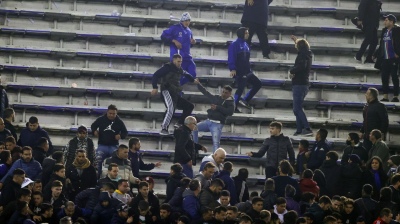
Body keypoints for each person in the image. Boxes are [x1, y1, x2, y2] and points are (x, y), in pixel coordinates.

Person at [151, 54, 196, 135]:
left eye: (181, 62)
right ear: (174, 60)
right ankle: (164, 128)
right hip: (166, 91)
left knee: (189, 106)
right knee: (171, 108)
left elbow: (186, 74)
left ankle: (179, 123)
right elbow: (156, 75)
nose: (180, 63)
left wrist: (193, 80)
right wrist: (155, 87)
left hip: (175, 94)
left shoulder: (179, 70)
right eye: (178, 61)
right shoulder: (167, 68)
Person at [192, 83, 234, 152]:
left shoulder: (231, 102)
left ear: (230, 94)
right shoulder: (217, 97)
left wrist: (217, 107)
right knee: (194, 128)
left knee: (216, 143)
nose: (223, 94)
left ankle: (215, 159)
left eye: (226, 93)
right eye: (223, 92)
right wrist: (199, 84)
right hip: (208, 121)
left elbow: (230, 112)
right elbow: (206, 93)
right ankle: (195, 148)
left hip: (217, 124)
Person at [228, 27, 262, 112]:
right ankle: (233, 107)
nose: (248, 34)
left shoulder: (246, 44)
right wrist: (232, 69)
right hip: (239, 70)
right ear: (242, 34)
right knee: (240, 88)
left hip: (247, 70)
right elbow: (231, 57)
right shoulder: (234, 44)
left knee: (258, 83)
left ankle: (245, 100)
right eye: (246, 33)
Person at [161, 12, 196, 86]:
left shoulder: (189, 31)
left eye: (188, 20)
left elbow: (189, 45)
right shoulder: (175, 28)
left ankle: (179, 85)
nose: (187, 22)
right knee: (177, 76)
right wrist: (174, 41)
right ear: (182, 21)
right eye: (185, 21)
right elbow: (163, 36)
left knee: (193, 73)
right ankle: (177, 90)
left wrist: (192, 42)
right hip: (178, 57)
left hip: (187, 57)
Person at [91, 104, 128, 174]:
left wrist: (120, 136)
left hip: (114, 146)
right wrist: (94, 131)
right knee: (97, 160)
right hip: (102, 145)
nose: (111, 115)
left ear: (116, 113)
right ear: (107, 112)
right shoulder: (101, 119)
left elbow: (125, 132)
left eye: (113, 114)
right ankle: (97, 178)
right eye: (110, 113)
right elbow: (93, 126)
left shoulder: (119, 122)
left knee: (116, 161)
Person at [289, 36, 313, 136]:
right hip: (303, 83)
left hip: (299, 83)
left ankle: (306, 128)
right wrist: (297, 41)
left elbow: (301, 66)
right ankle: (299, 130)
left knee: (297, 109)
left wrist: (292, 70)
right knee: (297, 108)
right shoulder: (307, 53)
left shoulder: (303, 55)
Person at [374, 14, 400, 102]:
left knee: (394, 77)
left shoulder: (397, 30)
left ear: (391, 22)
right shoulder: (384, 31)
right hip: (385, 58)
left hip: (393, 58)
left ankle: (396, 96)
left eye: (386, 20)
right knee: (384, 77)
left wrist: (398, 53)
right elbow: (381, 44)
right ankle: (385, 96)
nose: (384, 22)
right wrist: (375, 54)